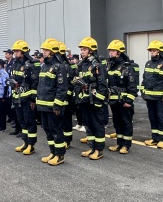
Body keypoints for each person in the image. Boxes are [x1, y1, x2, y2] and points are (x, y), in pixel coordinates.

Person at [36, 38, 68, 166]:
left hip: (53, 106)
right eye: (43, 49)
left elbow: (62, 88)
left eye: (46, 50)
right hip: (43, 105)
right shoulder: (44, 66)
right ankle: (53, 152)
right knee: (47, 129)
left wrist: (57, 105)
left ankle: (60, 155)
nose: (43, 52)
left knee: (56, 130)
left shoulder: (59, 67)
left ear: (53, 52)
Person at [75, 37, 108, 160]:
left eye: (84, 49)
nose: (82, 52)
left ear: (91, 50)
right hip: (85, 100)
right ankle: (92, 147)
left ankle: (99, 150)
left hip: (95, 101)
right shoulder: (82, 65)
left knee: (97, 125)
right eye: (81, 50)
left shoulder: (97, 65)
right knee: (88, 125)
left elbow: (102, 85)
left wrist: (99, 101)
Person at [106, 40, 138, 154]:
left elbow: (132, 85)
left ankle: (126, 145)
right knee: (117, 122)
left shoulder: (126, 67)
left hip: (124, 101)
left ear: (119, 53)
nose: (110, 53)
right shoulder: (110, 66)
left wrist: (129, 101)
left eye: (113, 51)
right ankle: (119, 143)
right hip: (114, 101)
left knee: (126, 123)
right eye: (110, 51)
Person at [141, 40, 163, 149]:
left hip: (161, 98)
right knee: (153, 118)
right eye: (151, 51)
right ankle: (154, 138)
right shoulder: (148, 63)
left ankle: (162, 140)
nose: (152, 52)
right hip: (149, 97)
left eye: (154, 50)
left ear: (159, 52)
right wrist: (143, 91)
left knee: (162, 118)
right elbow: (144, 79)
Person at [10, 40, 39, 155]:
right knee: (22, 122)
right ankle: (25, 142)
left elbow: (35, 83)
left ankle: (31, 145)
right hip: (18, 98)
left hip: (27, 100)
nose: (15, 53)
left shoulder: (30, 64)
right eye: (14, 51)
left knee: (29, 122)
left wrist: (32, 99)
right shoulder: (15, 63)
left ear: (23, 52)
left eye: (17, 51)